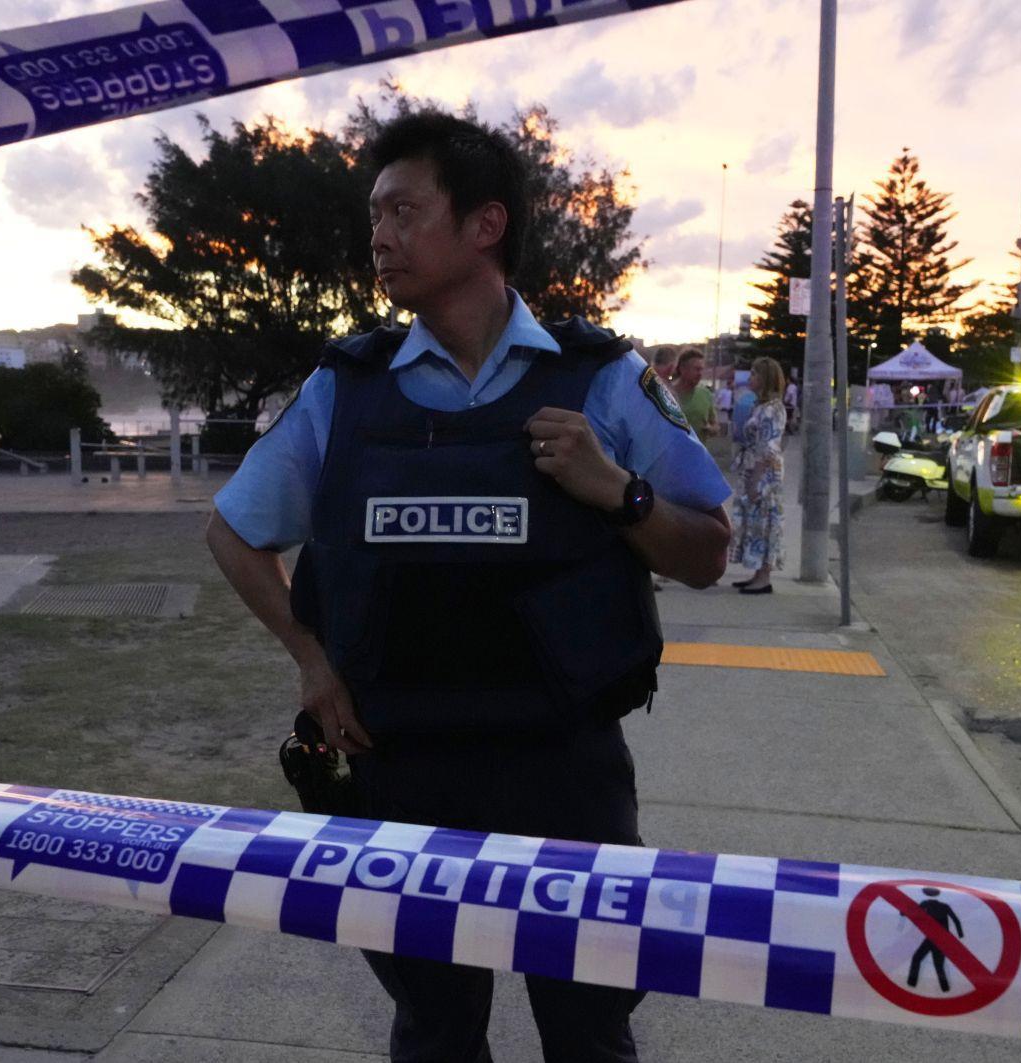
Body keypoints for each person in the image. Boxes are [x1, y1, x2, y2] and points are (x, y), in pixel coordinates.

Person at [203, 112, 732, 1063]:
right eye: (374, 216)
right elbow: (234, 533)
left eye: (405, 210)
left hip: (564, 770)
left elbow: (707, 551)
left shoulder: (601, 378)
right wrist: (311, 658)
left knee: (588, 1031)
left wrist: (616, 490)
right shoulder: (347, 387)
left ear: (484, 224)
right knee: (436, 1033)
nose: (380, 236)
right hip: (402, 764)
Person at [731, 357, 787, 595]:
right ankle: (757, 572)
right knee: (754, 522)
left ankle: (764, 576)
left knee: (763, 521)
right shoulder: (761, 406)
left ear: (764, 378)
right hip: (755, 466)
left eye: (754, 374)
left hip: (764, 471)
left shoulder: (772, 409)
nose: (750, 378)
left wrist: (756, 479)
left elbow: (768, 447)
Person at [671, 348, 717, 442]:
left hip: (698, 454)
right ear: (682, 369)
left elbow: (715, 425)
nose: (700, 374)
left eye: (701, 370)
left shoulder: (705, 394)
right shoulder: (667, 394)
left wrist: (711, 429)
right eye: (696, 369)